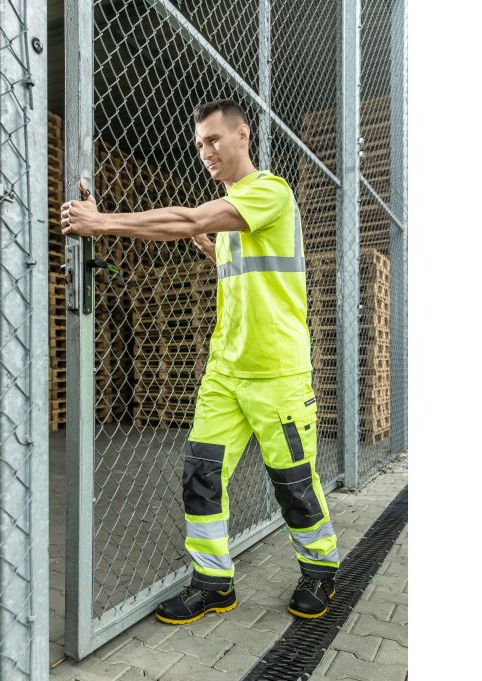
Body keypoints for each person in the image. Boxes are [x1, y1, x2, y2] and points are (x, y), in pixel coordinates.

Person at [60, 98, 339, 624]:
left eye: (214, 139)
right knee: (201, 477)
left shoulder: (270, 192)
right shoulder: (233, 218)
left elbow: (190, 217)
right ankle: (213, 584)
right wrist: (206, 245)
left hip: (278, 374)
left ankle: (320, 570)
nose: (206, 151)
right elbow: (216, 243)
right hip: (225, 373)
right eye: (199, 144)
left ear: (242, 135)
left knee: (294, 485)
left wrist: (102, 222)